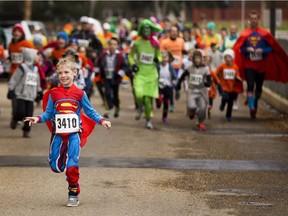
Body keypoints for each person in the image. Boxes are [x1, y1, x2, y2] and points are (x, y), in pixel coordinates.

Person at [24, 56, 111, 207]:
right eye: (60, 73)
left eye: (66, 72)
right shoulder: (54, 94)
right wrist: (37, 118)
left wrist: (102, 121)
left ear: (74, 73)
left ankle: (73, 192)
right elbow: (48, 113)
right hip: (58, 134)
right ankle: (67, 171)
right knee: (55, 166)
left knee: (72, 165)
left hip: (74, 134)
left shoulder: (80, 94)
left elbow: (90, 112)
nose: (63, 76)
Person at [233, 10, 288, 119]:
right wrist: (247, 49)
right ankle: (252, 108)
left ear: (258, 20)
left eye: (255, 19)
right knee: (250, 85)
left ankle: (255, 102)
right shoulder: (245, 34)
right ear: (249, 20)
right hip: (249, 64)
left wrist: (261, 51)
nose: (253, 21)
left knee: (258, 88)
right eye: (252, 19)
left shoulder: (265, 34)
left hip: (261, 65)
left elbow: (272, 48)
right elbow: (239, 48)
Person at [128, 19, 162, 129]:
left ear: (151, 29)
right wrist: (133, 64)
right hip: (140, 73)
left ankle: (148, 119)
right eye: (145, 28)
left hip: (151, 73)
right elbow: (130, 56)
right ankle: (139, 106)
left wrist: (158, 59)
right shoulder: (137, 43)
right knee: (138, 94)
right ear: (141, 29)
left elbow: (159, 56)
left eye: (149, 28)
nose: (147, 30)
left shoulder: (155, 44)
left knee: (148, 99)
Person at [8, 48, 42, 138]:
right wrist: (11, 89)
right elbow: (14, 79)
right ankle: (15, 119)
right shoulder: (22, 68)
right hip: (21, 94)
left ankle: (26, 131)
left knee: (29, 115)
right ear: (30, 57)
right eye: (36, 55)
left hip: (31, 96)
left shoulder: (35, 69)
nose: (38, 57)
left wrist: (39, 91)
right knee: (20, 111)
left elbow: (37, 81)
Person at [176, 50, 211, 131]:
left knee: (202, 108)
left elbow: (209, 80)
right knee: (191, 106)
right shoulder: (189, 68)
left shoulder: (206, 69)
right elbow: (182, 76)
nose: (197, 60)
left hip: (202, 92)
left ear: (201, 59)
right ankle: (192, 111)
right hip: (192, 91)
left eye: (199, 58)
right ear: (193, 59)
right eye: (196, 58)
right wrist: (178, 85)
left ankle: (201, 122)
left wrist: (207, 83)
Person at [98, 37, 128, 118]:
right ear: (108, 45)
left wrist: (120, 73)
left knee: (115, 96)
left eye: (114, 44)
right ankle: (108, 109)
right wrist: (98, 73)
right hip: (106, 77)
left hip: (115, 79)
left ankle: (117, 107)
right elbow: (99, 63)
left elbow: (125, 66)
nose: (112, 46)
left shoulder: (120, 55)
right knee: (107, 93)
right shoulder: (104, 54)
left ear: (117, 46)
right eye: (110, 44)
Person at [160, 25, 185, 112]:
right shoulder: (164, 42)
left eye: (176, 31)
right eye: (172, 31)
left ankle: (177, 89)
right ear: (169, 32)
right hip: (169, 66)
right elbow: (161, 53)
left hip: (178, 66)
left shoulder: (181, 41)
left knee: (176, 83)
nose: (174, 33)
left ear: (177, 32)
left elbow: (183, 51)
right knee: (170, 87)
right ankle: (171, 104)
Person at [214, 49, 242, 121]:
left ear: (232, 58)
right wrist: (217, 80)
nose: (227, 59)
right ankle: (222, 104)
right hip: (224, 86)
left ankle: (228, 115)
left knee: (230, 103)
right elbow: (216, 73)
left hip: (232, 88)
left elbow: (237, 75)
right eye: (226, 57)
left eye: (229, 57)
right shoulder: (222, 66)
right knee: (225, 98)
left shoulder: (235, 67)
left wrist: (238, 79)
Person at [156, 50, 177, 123]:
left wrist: (174, 81)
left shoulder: (170, 66)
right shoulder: (157, 66)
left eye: (165, 57)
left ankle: (164, 117)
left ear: (168, 58)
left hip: (168, 86)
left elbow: (174, 76)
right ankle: (158, 103)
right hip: (159, 85)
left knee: (166, 103)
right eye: (162, 56)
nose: (164, 58)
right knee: (159, 98)